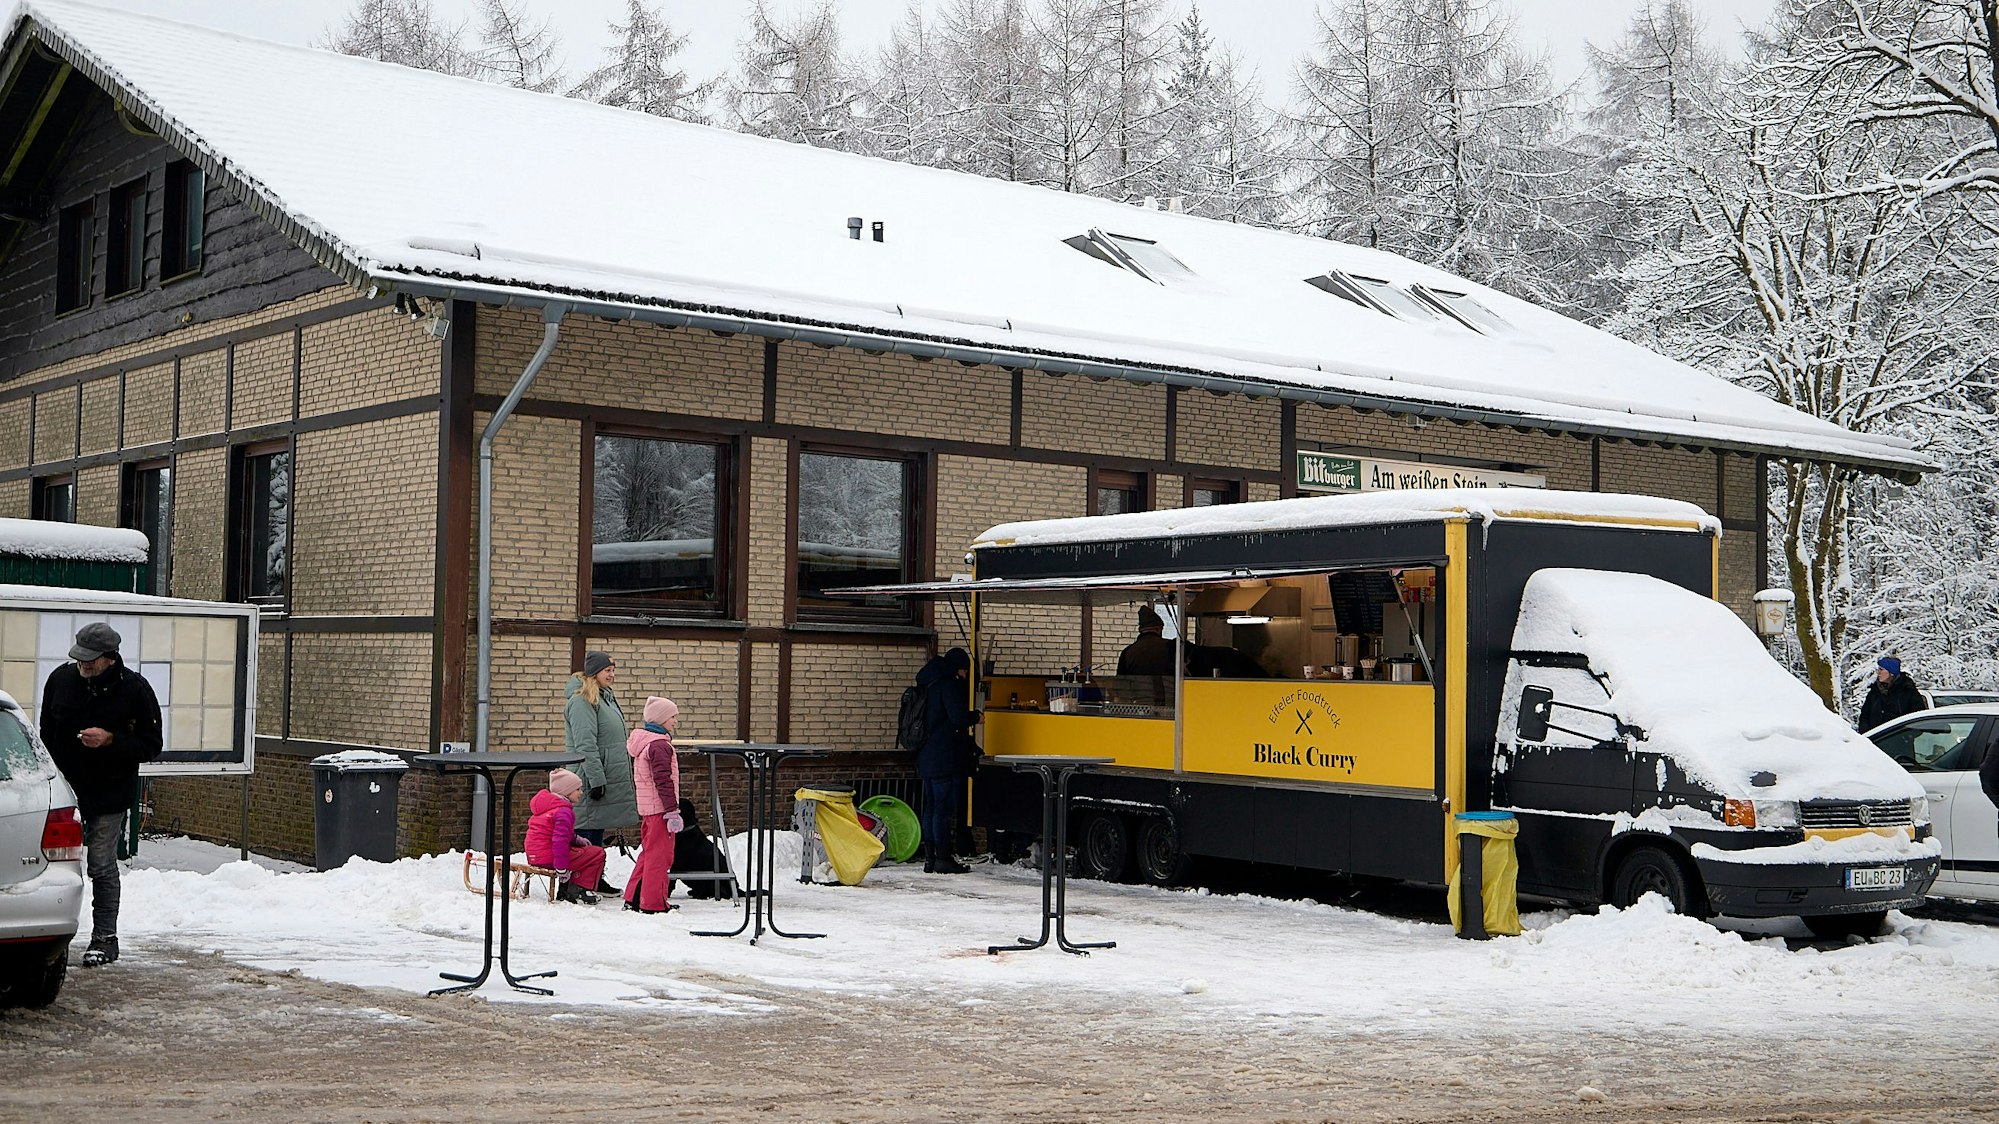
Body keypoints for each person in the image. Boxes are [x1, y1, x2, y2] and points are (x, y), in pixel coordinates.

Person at [39, 622, 163, 967]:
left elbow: (152, 745)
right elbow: (44, 733)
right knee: (52, 868)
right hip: (62, 794)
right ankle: (47, 939)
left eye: (90, 661)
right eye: (79, 659)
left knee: (101, 865)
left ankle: (105, 939)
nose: (83, 666)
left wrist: (111, 740)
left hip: (108, 794)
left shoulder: (135, 690)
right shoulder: (61, 680)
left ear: (110, 658)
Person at [565, 651, 636, 881]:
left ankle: (594, 876)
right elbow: (585, 744)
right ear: (595, 673)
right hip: (587, 778)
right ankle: (579, 878)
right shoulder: (581, 701)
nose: (612, 674)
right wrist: (596, 780)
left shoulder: (605, 697)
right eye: (608, 670)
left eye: (613, 670)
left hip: (604, 775)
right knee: (586, 829)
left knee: (598, 827)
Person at [915, 647, 978, 874]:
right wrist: (976, 716)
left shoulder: (928, 682)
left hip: (926, 756)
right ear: (960, 668)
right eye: (965, 671)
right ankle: (943, 858)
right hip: (944, 757)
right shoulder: (949, 684)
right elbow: (958, 717)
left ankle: (930, 858)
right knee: (943, 809)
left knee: (931, 808)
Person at [624, 696, 684, 915]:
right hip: (660, 810)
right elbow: (663, 780)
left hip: (649, 809)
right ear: (660, 719)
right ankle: (653, 903)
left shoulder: (644, 742)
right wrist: (672, 811)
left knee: (648, 854)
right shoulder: (660, 746)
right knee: (660, 857)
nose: (675, 721)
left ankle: (633, 896)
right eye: (672, 717)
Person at [524, 768, 608, 904]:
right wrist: (561, 868)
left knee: (583, 852)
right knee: (597, 853)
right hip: (549, 857)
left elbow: (552, 832)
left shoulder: (547, 807)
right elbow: (560, 842)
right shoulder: (563, 811)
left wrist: (576, 839)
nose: (581, 793)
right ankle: (580, 890)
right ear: (566, 792)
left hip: (535, 855)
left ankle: (567, 890)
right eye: (577, 789)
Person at [1858, 656, 1926, 731]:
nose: (1878, 672)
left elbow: (1918, 717)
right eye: (1878, 669)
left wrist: (1907, 734)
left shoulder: (1907, 691)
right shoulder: (1874, 692)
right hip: (1876, 739)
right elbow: (1864, 716)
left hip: (1900, 738)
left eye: (1881, 669)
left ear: (1891, 673)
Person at [1117, 606, 1177, 676]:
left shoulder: (1128, 652)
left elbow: (1120, 681)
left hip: (1137, 686)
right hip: (1168, 686)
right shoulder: (1172, 647)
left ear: (1140, 630)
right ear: (1158, 629)